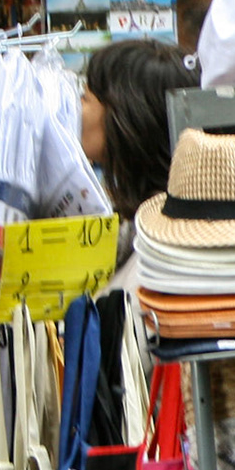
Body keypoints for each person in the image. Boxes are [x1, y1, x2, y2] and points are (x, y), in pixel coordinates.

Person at [80, 38, 200, 290]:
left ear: (123, 114)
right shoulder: (147, 229)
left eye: (85, 98)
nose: (75, 109)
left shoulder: (154, 256)